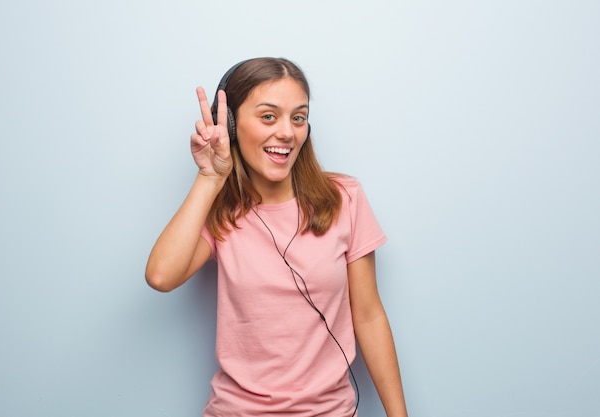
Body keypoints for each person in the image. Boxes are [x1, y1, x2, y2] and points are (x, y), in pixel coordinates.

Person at [145, 57, 408, 417]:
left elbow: (369, 316)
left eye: (298, 117)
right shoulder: (221, 212)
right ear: (233, 126)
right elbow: (160, 276)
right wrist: (209, 178)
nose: (287, 132)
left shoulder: (344, 198)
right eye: (269, 116)